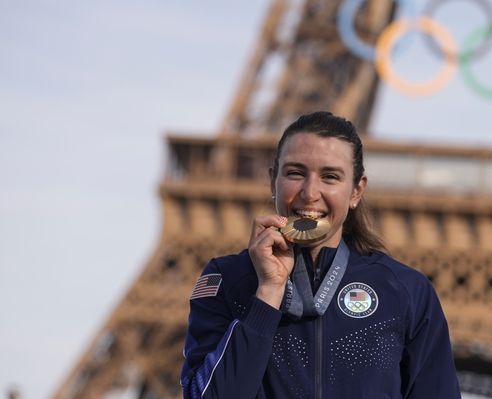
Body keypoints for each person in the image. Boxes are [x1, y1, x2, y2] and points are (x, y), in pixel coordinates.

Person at [180, 111, 461, 398]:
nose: (310, 192)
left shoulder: (407, 290)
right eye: (295, 173)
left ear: (356, 191)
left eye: (330, 176)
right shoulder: (228, 279)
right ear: (272, 181)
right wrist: (267, 293)